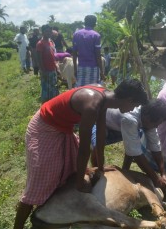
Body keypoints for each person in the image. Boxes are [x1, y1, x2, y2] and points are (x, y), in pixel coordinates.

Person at [13, 79, 148, 229]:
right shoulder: (92, 104)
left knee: (66, 172)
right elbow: (84, 148)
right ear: (129, 100)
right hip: (44, 129)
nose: (132, 109)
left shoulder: (105, 98)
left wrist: (100, 166)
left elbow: (101, 133)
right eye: (134, 105)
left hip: (63, 128)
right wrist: (79, 183)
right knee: (39, 183)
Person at [90, 99, 166, 188]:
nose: (156, 126)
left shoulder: (150, 120)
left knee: (133, 143)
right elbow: (136, 154)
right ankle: (96, 173)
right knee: (98, 145)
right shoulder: (130, 118)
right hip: (100, 121)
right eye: (156, 123)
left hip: (118, 126)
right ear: (147, 116)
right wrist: (155, 178)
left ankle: (125, 171)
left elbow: (155, 147)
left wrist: (163, 173)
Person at [72, 15, 104, 86]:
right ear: (95, 24)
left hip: (81, 67)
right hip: (93, 68)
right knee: (93, 90)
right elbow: (98, 55)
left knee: (81, 90)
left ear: (84, 22)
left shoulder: (76, 34)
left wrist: (75, 69)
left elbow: (74, 53)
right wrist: (102, 71)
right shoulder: (96, 35)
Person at [36, 24, 60, 103]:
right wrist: (43, 70)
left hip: (53, 69)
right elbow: (39, 59)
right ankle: (45, 106)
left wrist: (56, 67)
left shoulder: (51, 42)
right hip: (46, 70)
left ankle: (53, 104)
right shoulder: (40, 43)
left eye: (50, 31)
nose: (49, 33)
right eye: (46, 31)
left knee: (53, 88)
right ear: (42, 32)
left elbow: (53, 56)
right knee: (46, 89)